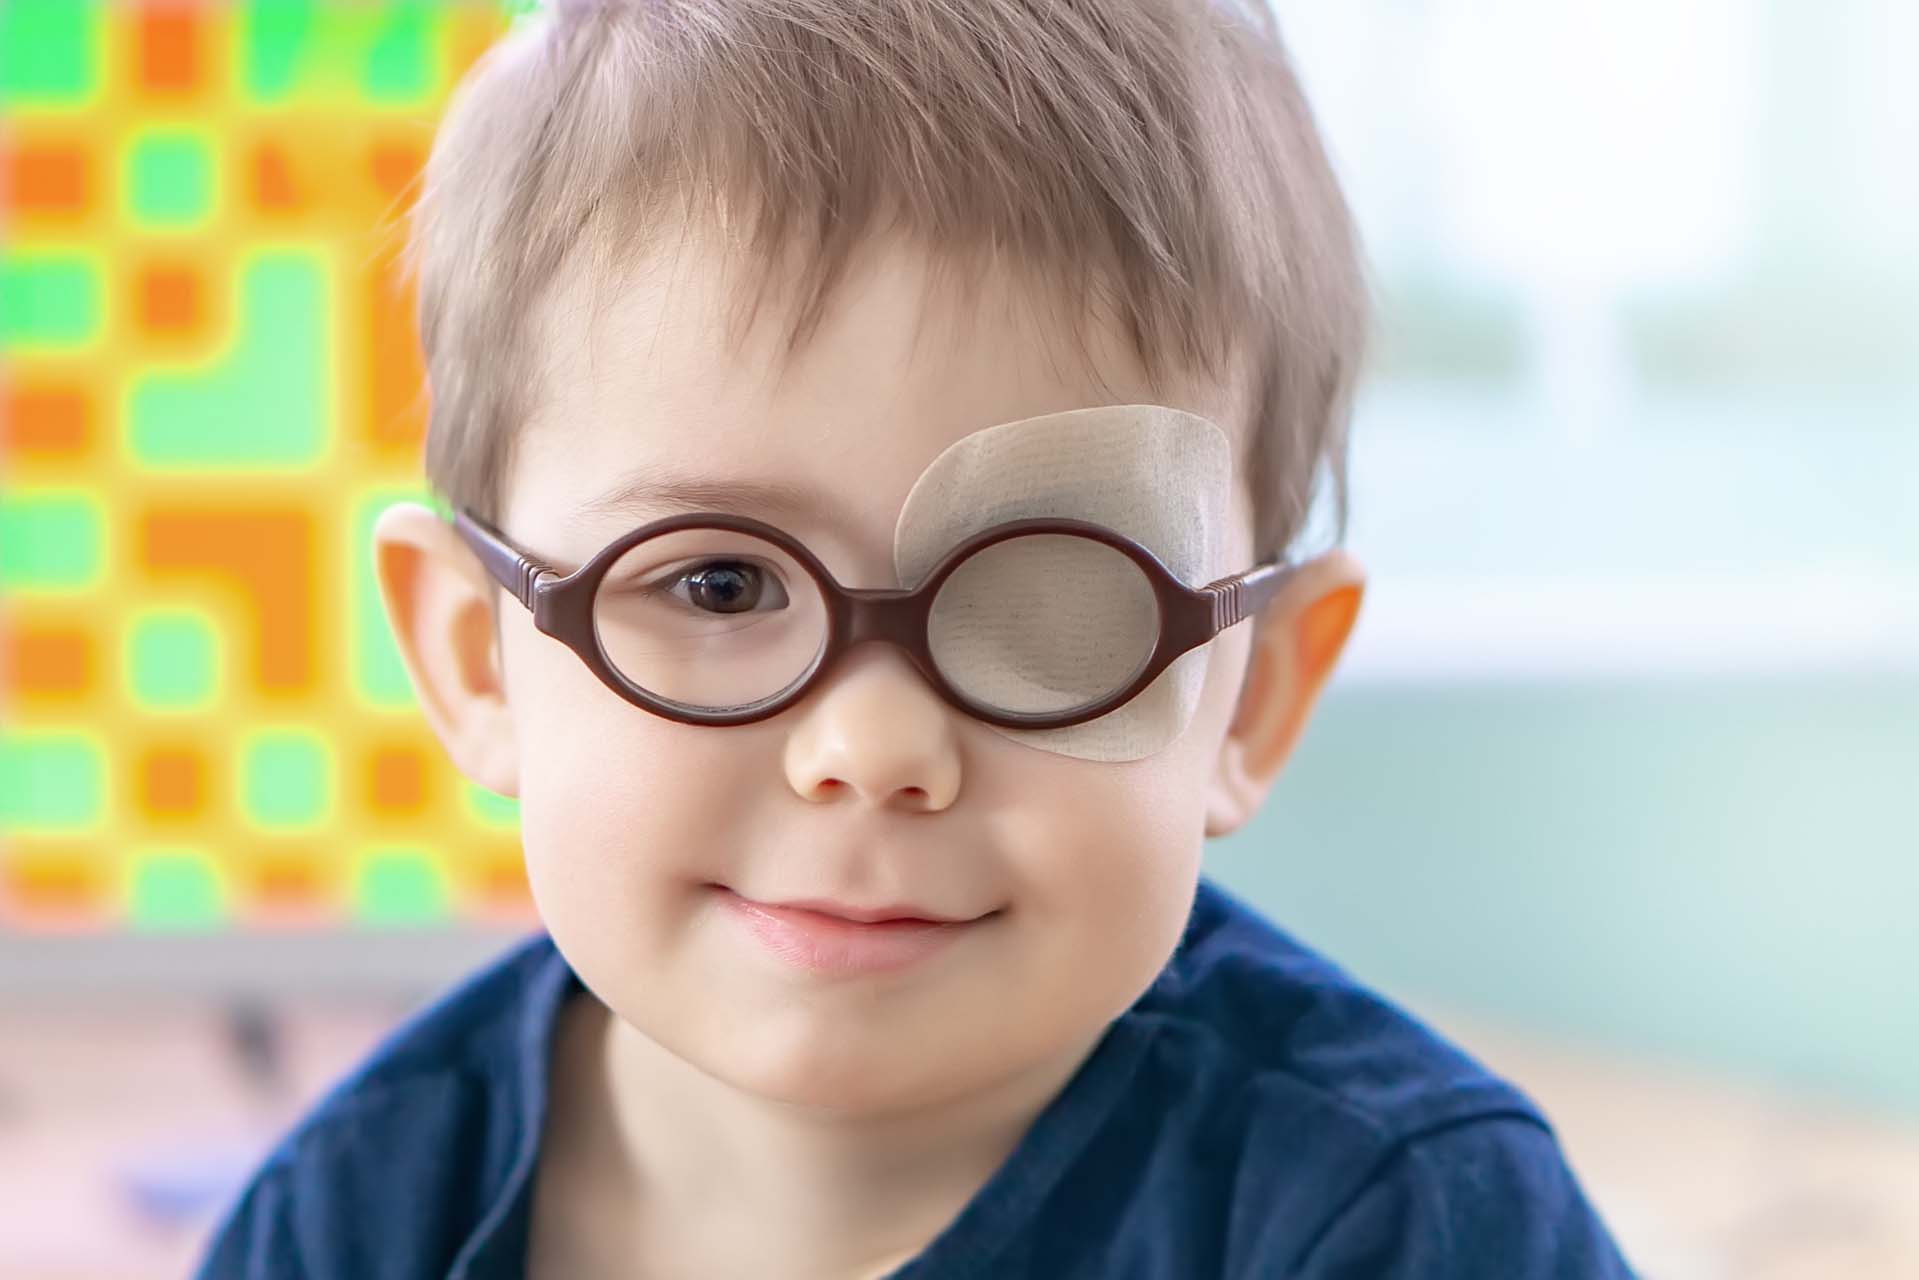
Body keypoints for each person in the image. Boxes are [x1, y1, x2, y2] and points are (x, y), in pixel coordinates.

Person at [194, 0, 1637, 1275]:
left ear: (1249, 696)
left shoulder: (1410, 1226)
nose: (873, 747)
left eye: (1058, 601)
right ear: (471, 654)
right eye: (716, 586)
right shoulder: (356, 1218)